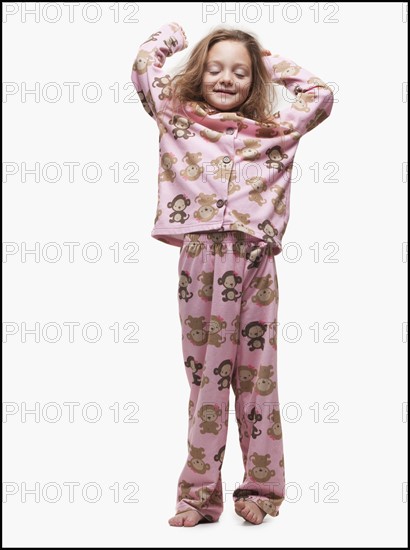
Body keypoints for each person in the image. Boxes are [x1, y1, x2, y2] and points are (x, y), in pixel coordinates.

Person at [131, 21, 334, 527]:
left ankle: (263, 490)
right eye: (216, 68)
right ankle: (199, 496)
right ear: (199, 73)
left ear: (256, 79)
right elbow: (144, 68)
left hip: (255, 260)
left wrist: (259, 55)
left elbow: (321, 92)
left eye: (241, 72)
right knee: (205, 379)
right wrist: (174, 37)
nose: (227, 78)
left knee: (257, 377)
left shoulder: (277, 128)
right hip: (200, 258)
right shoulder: (177, 116)